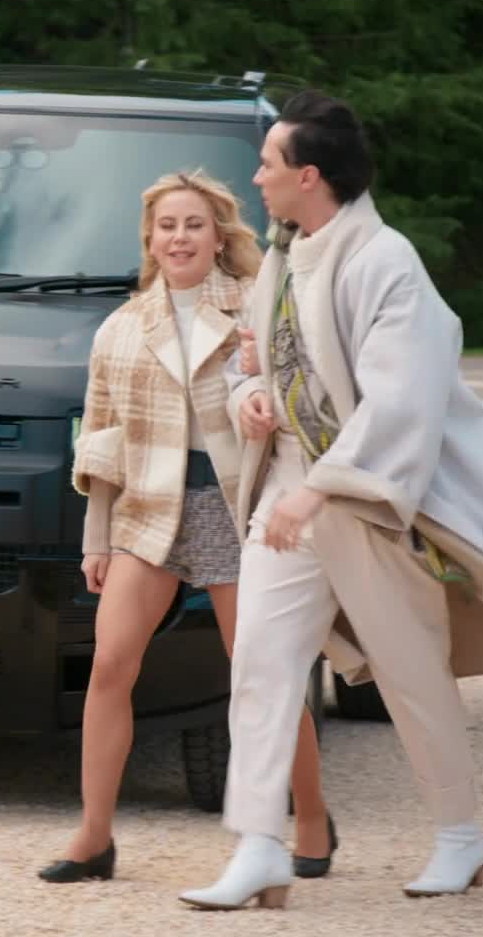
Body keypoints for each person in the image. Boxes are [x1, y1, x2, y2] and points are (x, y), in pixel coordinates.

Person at [179, 92, 483, 910]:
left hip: (364, 500)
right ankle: (258, 847)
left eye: (267, 164)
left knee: (410, 673)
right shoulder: (284, 254)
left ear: (308, 175)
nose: (256, 178)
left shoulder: (387, 260)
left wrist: (319, 491)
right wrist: (250, 396)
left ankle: (460, 838)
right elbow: (256, 365)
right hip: (291, 492)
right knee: (260, 664)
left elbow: (405, 398)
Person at [38, 170, 335, 883]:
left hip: (235, 512)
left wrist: (264, 408)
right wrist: (97, 539)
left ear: (217, 236)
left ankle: (312, 818)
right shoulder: (120, 327)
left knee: (261, 674)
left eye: (194, 225)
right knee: (109, 667)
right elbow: (101, 439)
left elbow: (298, 397)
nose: (180, 238)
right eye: (167, 226)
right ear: (151, 239)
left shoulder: (256, 305)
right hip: (147, 514)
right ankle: (94, 838)